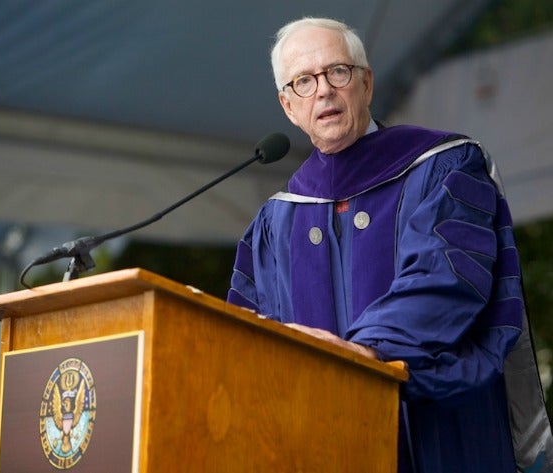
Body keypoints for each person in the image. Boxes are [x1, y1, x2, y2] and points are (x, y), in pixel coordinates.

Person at [227, 17, 553, 473]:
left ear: (366, 83)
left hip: (444, 440)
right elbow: (246, 343)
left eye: (336, 72)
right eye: (303, 81)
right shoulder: (274, 223)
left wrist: (365, 353)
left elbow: (446, 279)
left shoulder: (443, 169)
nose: (322, 91)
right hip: (327, 450)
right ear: (288, 106)